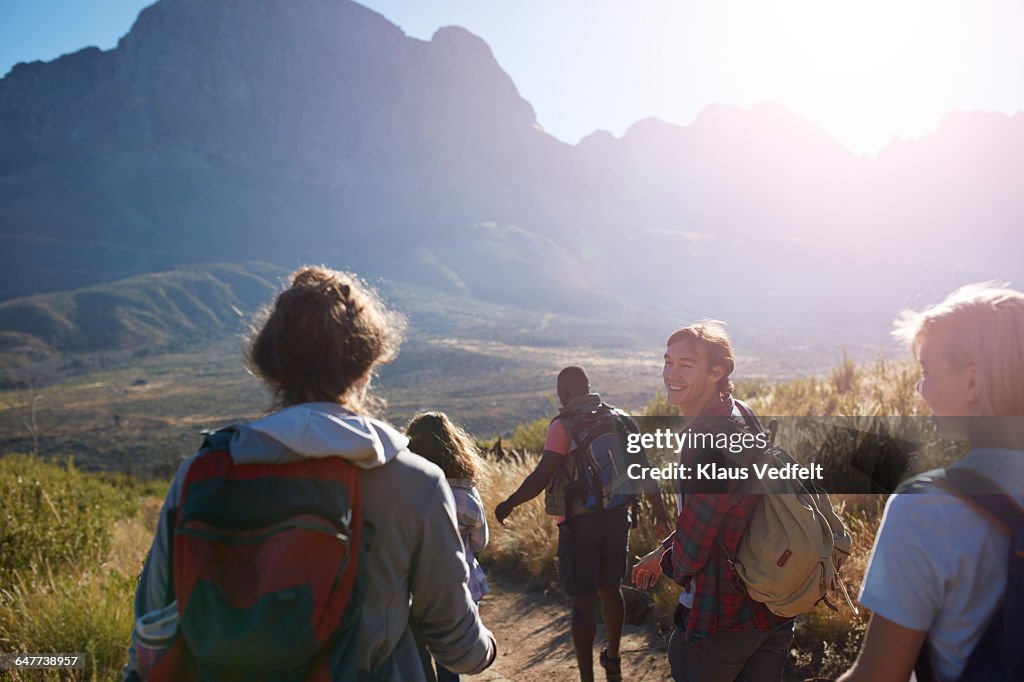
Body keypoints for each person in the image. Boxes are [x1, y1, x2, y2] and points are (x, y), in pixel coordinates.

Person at [123, 266, 496, 682]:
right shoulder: (415, 482)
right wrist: (487, 652)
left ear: (270, 362)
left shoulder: (205, 470)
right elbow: (455, 643)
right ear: (368, 360)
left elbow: (153, 626)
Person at [838, 284, 1024, 682]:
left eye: (926, 372)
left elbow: (878, 676)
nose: (920, 390)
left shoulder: (926, 509)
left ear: (972, 382)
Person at [631, 321, 794, 682]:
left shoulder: (707, 440)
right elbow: (723, 509)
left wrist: (673, 561)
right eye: (668, 362)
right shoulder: (742, 413)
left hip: (721, 618)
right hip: (771, 608)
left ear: (717, 371)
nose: (672, 374)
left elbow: (693, 550)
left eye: (686, 365)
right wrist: (663, 551)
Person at [495, 366, 671, 682]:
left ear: (563, 393)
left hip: (579, 525)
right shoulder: (621, 419)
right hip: (618, 519)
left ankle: (587, 677)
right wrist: (660, 515)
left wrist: (508, 504)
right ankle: (614, 661)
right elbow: (645, 471)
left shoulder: (563, 426)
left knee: (582, 603)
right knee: (611, 591)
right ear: (588, 387)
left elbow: (541, 477)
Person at [406, 411, 490, 682]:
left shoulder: (410, 492)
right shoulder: (467, 494)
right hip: (461, 588)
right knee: (449, 662)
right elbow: (480, 542)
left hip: (416, 589)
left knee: (418, 658)